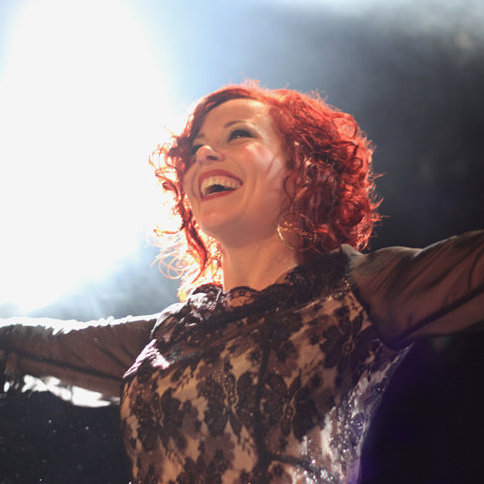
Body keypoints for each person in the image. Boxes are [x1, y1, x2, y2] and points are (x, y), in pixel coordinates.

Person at [1, 83, 483, 483]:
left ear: (306, 172)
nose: (206, 152)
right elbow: (20, 345)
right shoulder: (167, 338)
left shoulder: (359, 291)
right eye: (195, 149)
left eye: (238, 134)